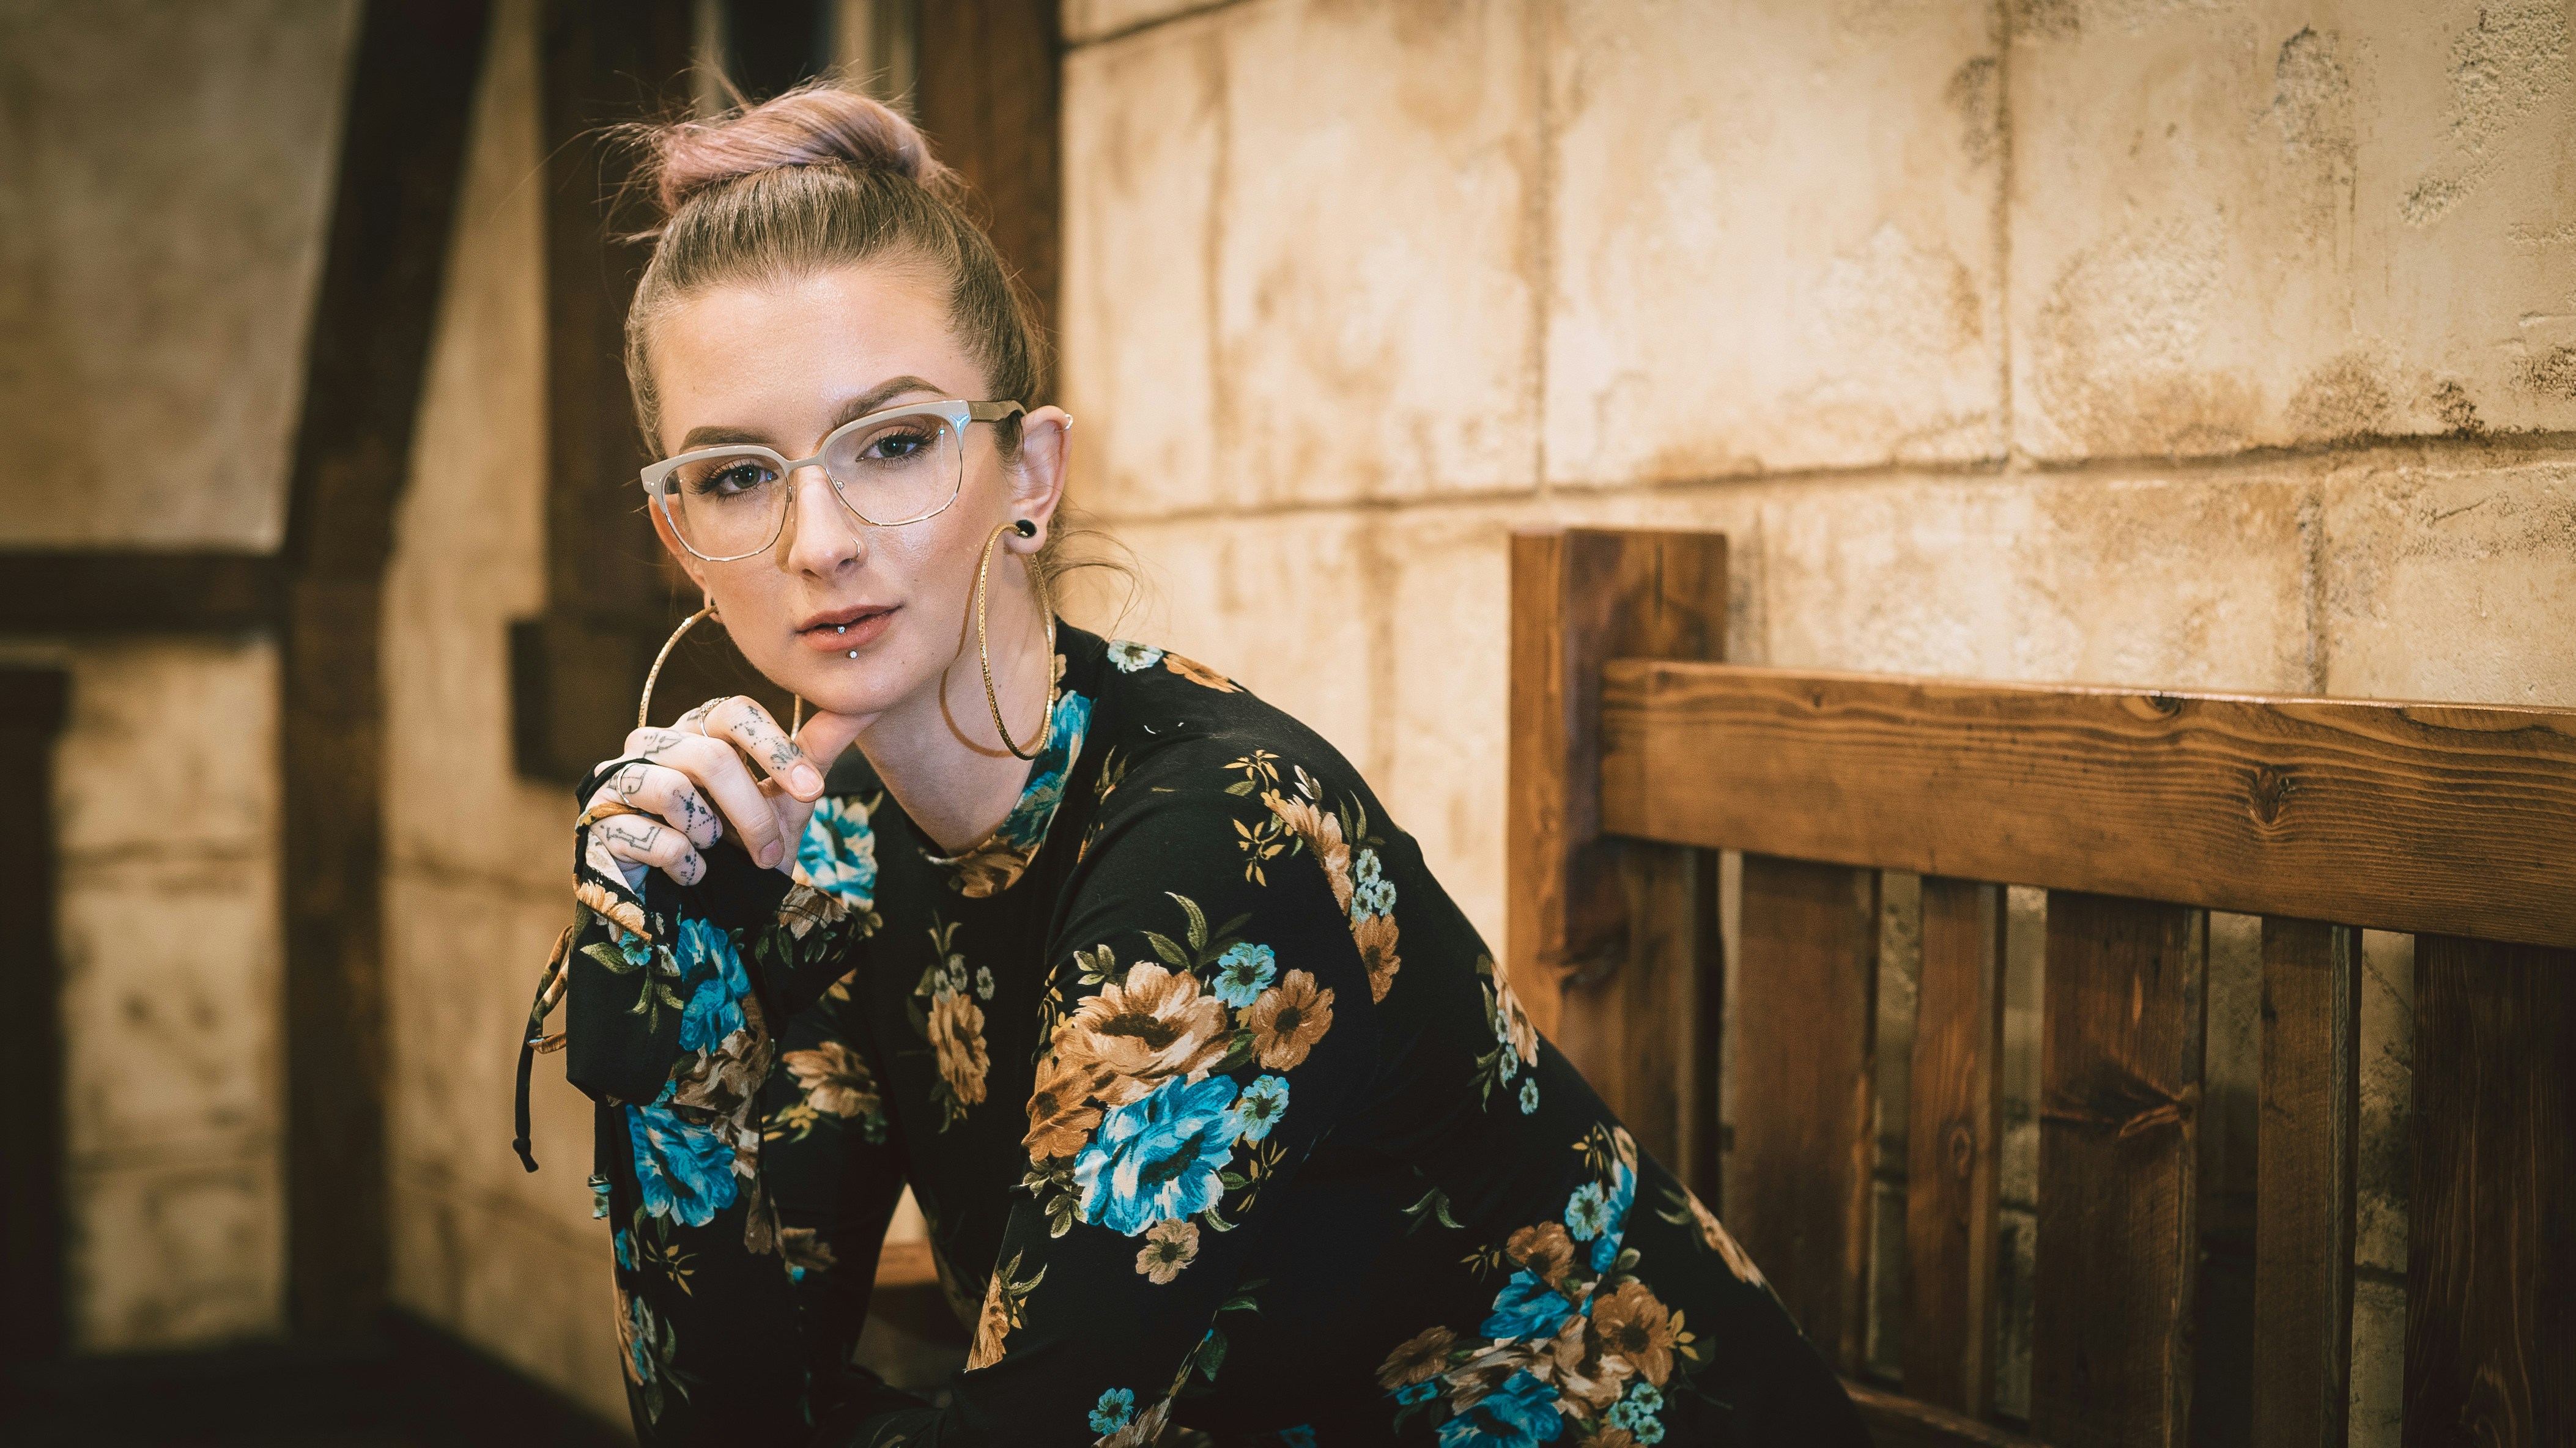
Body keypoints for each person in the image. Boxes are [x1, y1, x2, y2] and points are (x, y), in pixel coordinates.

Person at [532, 81, 1868, 1448]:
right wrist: (683, 1019)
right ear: (680, 534)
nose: (819, 539)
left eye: (895, 442)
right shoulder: (832, 853)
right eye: (741, 473)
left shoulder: (1219, 837)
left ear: (1029, 474)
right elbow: (730, 1415)